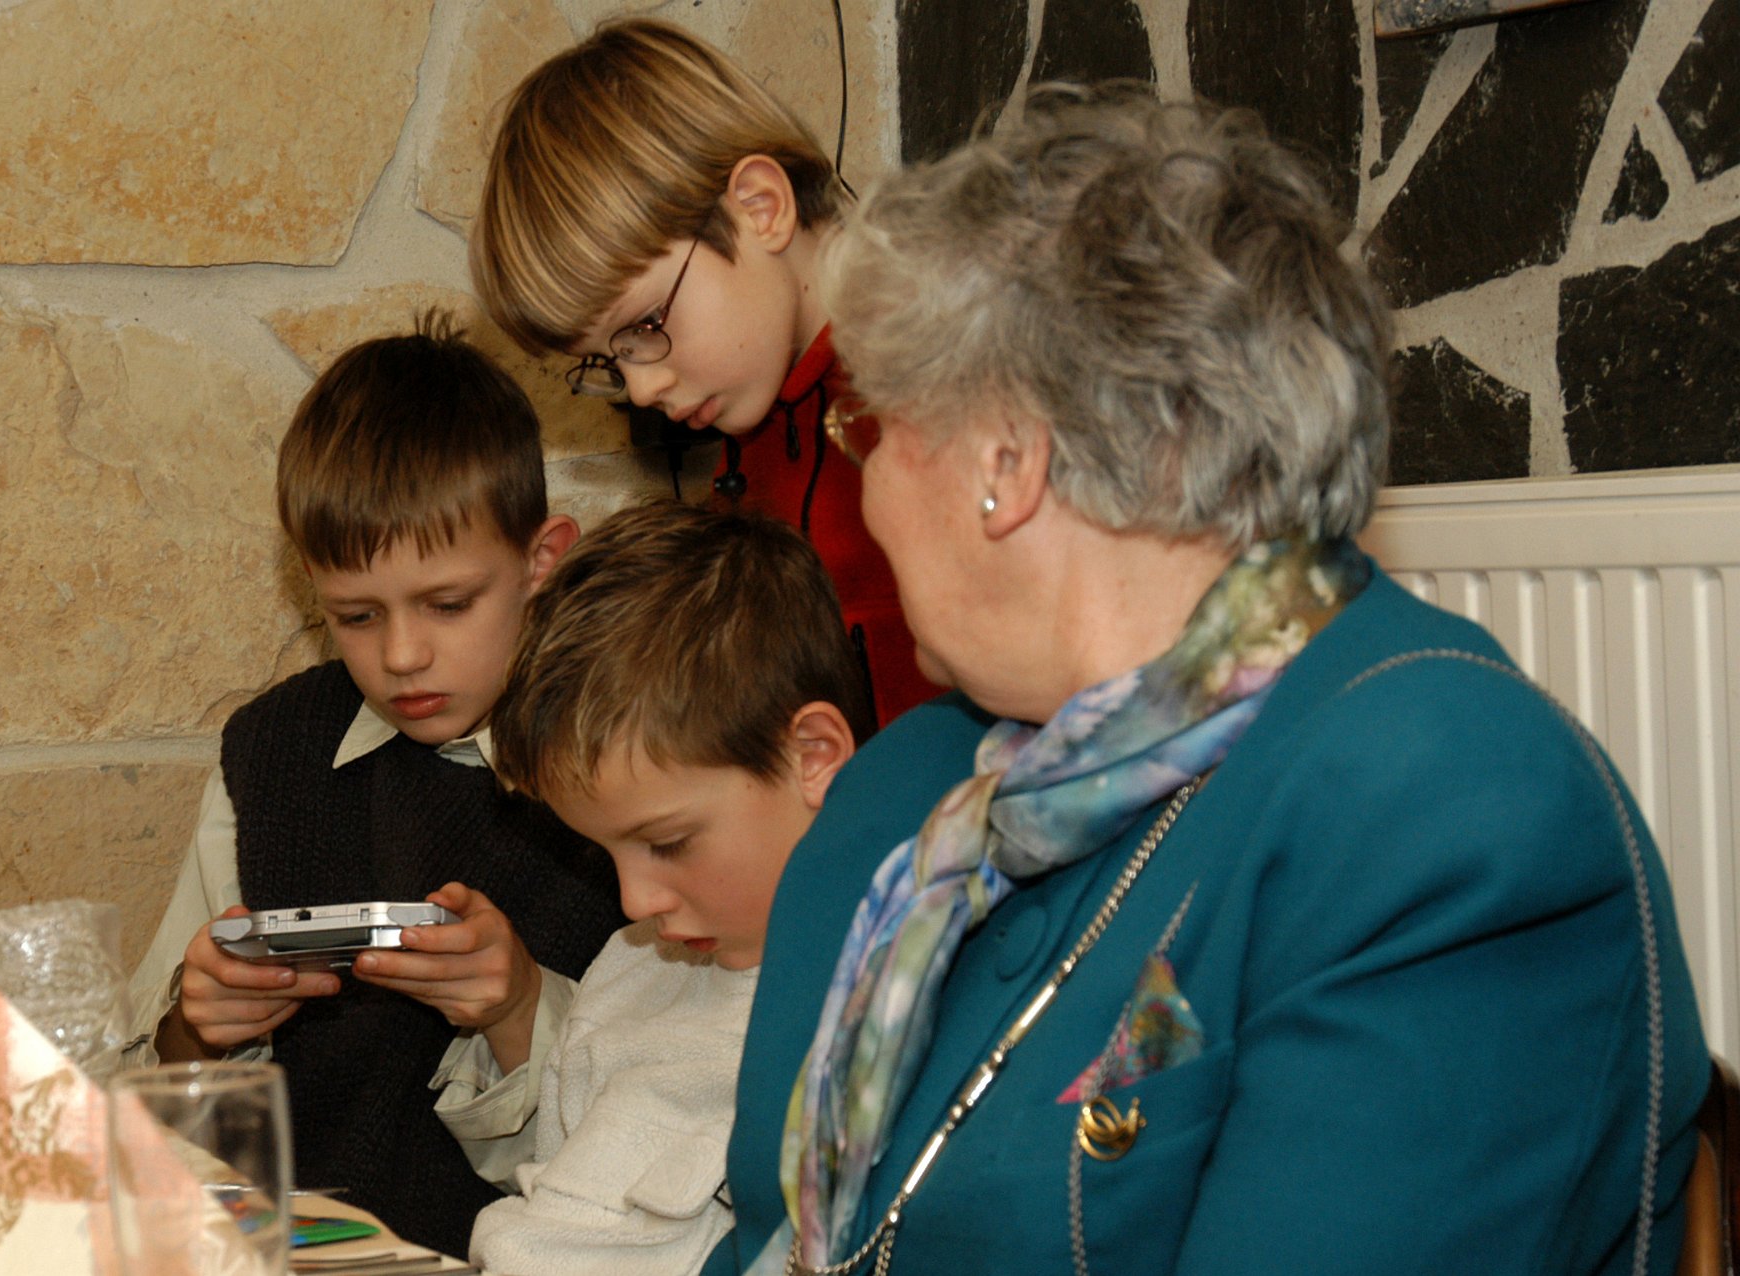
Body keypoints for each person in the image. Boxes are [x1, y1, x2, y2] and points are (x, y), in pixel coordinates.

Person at [712, 84, 1710, 1276]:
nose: (864, 489)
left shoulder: (1444, 805)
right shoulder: (914, 793)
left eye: (872, 431)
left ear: (1006, 461)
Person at [123, 314, 626, 1258]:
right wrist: (199, 1030)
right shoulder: (272, 751)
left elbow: (668, 1143)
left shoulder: (633, 766)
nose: (401, 655)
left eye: (448, 604)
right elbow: (140, 1106)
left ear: (542, 561)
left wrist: (518, 1008)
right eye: (355, 616)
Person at [433, 501, 868, 1276]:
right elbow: (560, 1204)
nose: (635, 903)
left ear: (812, 756)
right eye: (605, 852)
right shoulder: (630, 971)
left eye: (668, 844)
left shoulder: (891, 1000)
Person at [470, 17, 940, 729]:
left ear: (760, 208)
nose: (641, 388)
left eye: (645, 326)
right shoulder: (753, 436)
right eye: (606, 360)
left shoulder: (944, 380)